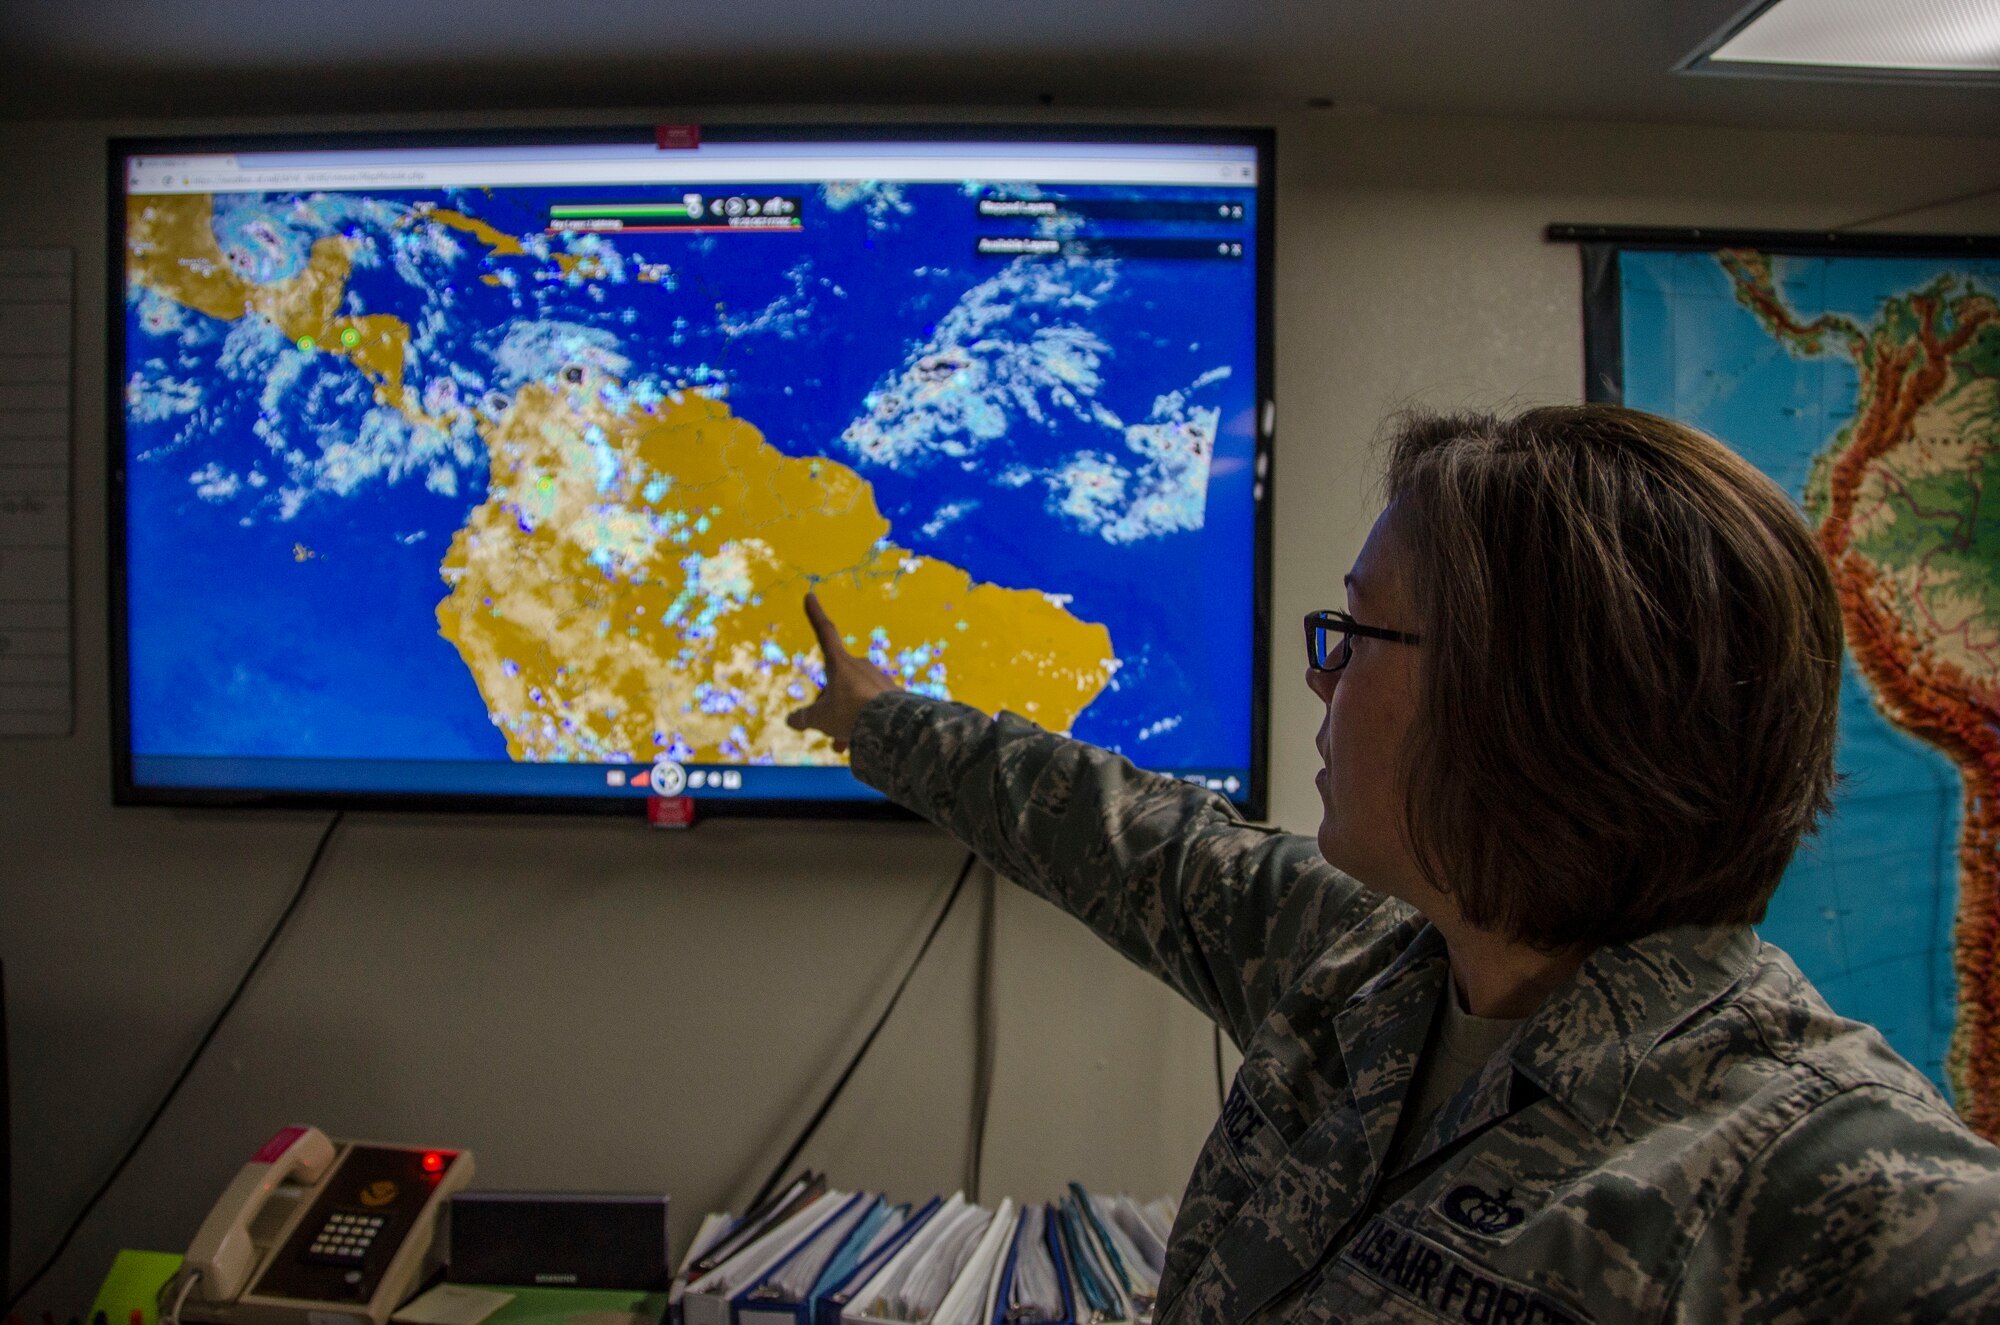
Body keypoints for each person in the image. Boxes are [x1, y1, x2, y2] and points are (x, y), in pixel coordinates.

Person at [785, 404, 2000, 1323]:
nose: (1322, 674)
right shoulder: (1363, 975)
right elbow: (1125, 837)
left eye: (1355, 630)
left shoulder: (1819, 1178)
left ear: (1530, 699)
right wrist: (876, 719)